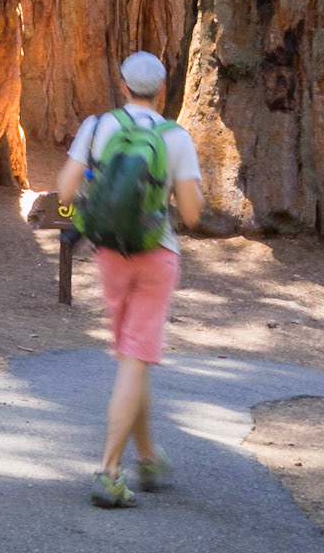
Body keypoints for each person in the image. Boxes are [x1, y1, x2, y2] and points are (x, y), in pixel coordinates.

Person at [56, 50, 203, 509]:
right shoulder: (176, 137)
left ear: (122, 86)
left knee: (131, 357)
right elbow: (194, 215)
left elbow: (64, 191)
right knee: (134, 359)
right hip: (157, 254)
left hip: (110, 253)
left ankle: (148, 457)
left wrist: (78, 211)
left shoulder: (98, 127)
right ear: (162, 92)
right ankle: (109, 471)